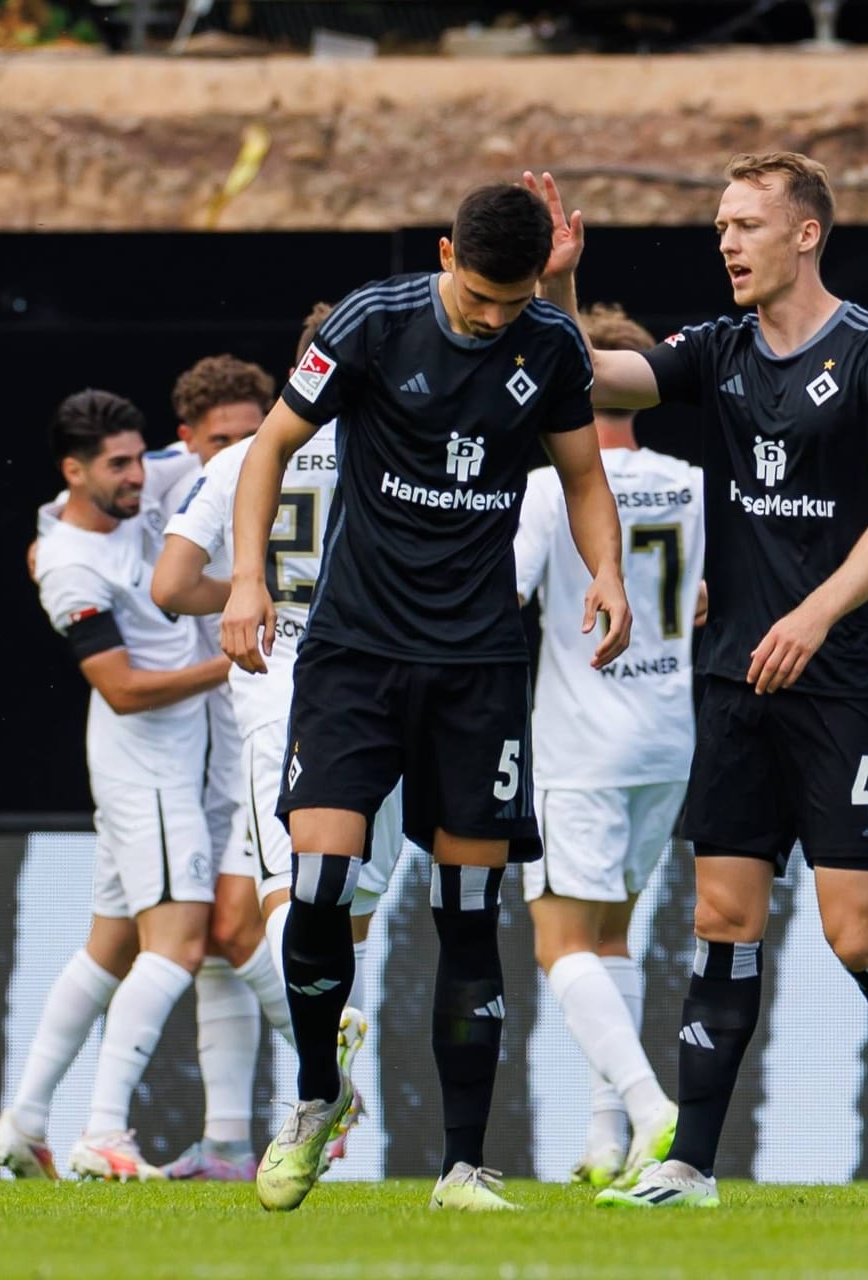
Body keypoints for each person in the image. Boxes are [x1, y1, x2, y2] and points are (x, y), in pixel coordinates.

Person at [525, 156, 868, 1210]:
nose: (726, 243)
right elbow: (592, 380)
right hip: (735, 677)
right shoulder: (719, 348)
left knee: (854, 933)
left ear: (807, 233)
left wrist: (815, 615)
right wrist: (556, 291)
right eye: (720, 225)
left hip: (851, 679)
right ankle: (689, 1162)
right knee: (723, 914)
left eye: (745, 225)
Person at [221, 182, 633, 1213]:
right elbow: (270, 445)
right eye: (481, 299)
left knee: (467, 911)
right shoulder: (372, 321)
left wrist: (609, 573)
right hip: (355, 653)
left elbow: (584, 476)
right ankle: (316, 1098)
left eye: (515, 301)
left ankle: (460, 1165)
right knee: (317, 887)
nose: (496, 320)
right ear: (446, 252)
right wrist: (245, 578)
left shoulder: (553, 344)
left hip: (479, 663)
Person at [152, 303, 400, 1173]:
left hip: (278, 691)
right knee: (352, 913)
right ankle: (329, 1075)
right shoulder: (399, 448)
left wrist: (244, 594)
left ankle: (324, 1051)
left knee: (281, 893)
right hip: (383, 698)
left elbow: (169, 583)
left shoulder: (240, 461)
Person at [0, 389, 230, 1182]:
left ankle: (22, 1120)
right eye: (117, 465)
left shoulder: (140, 485)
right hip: (147, 768)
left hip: (158, 765)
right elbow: (122, 687)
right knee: (182, 944)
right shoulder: (68, 567)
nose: (137, 476)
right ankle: (102, 1131)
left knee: (110, 947)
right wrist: (229, 662)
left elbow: (189, 460)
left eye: (136, 457)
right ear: (75, 470)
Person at [512, 301, 704, 1192]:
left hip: (579, 741)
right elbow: (703, 600)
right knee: (615, 941)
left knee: (559, 944)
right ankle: (605, 1143)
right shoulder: (690, 480)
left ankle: (649, 1107)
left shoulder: (552, 487)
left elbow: (506, 591)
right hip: (666, 737)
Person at [151, 355, 298, 1183]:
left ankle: (325, 1078)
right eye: (222, 437)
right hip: (211, 746)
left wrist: (260, 588)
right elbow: (85, 503)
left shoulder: (247, 462)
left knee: (243, 926)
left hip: (265, 723)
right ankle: (228, 1143)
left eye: (251, 429)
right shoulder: (171, 473)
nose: (240, 445)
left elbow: (168, 583)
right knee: (218, 942)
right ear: (187, 441)